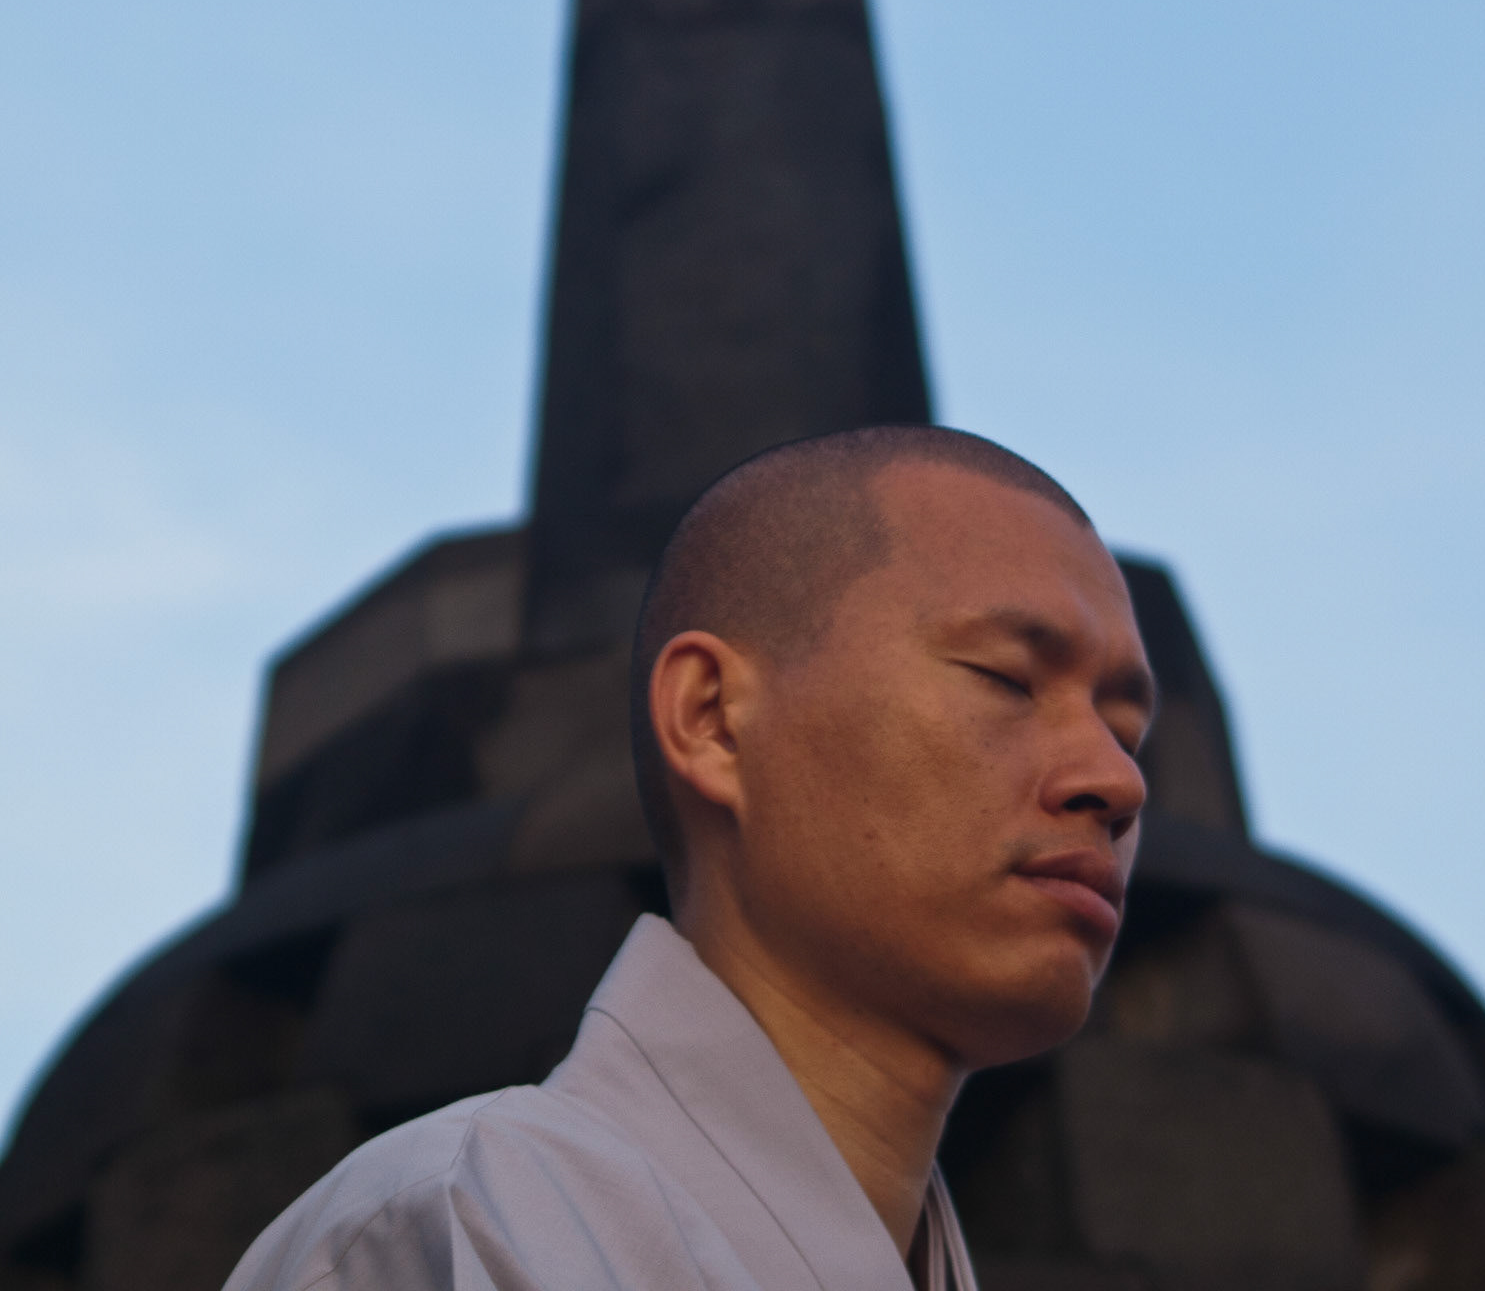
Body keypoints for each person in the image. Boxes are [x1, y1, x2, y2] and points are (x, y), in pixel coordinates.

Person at [225, 425, 1155, 1290]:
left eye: (1127, 730)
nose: (1116, 783)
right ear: (712, 719)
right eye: (1005, 678)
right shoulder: (476, 1224)